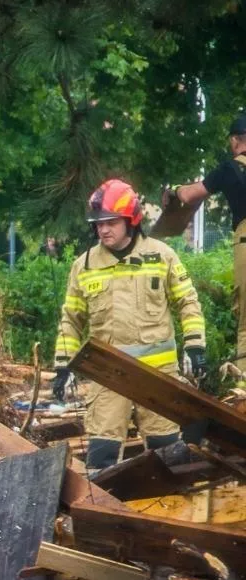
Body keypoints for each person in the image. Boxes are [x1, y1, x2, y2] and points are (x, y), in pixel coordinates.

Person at [53, 179, 206, 472]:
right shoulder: (84, 266)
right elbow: (70, 321)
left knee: (168, 456)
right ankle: (104, 516)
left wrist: (195, 346)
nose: (103, 229)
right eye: (98, 224)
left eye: (111, 222)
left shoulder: (161, 256)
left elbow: (188, 302)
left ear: (131, 219)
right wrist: (63, 366)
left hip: (157, 378)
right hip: (107, 379)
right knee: (101, 458)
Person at [165, 112, 246, 388]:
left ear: (236, 141)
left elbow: (190, 195)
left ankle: (244, 390)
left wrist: (174, 190)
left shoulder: (230, 168)